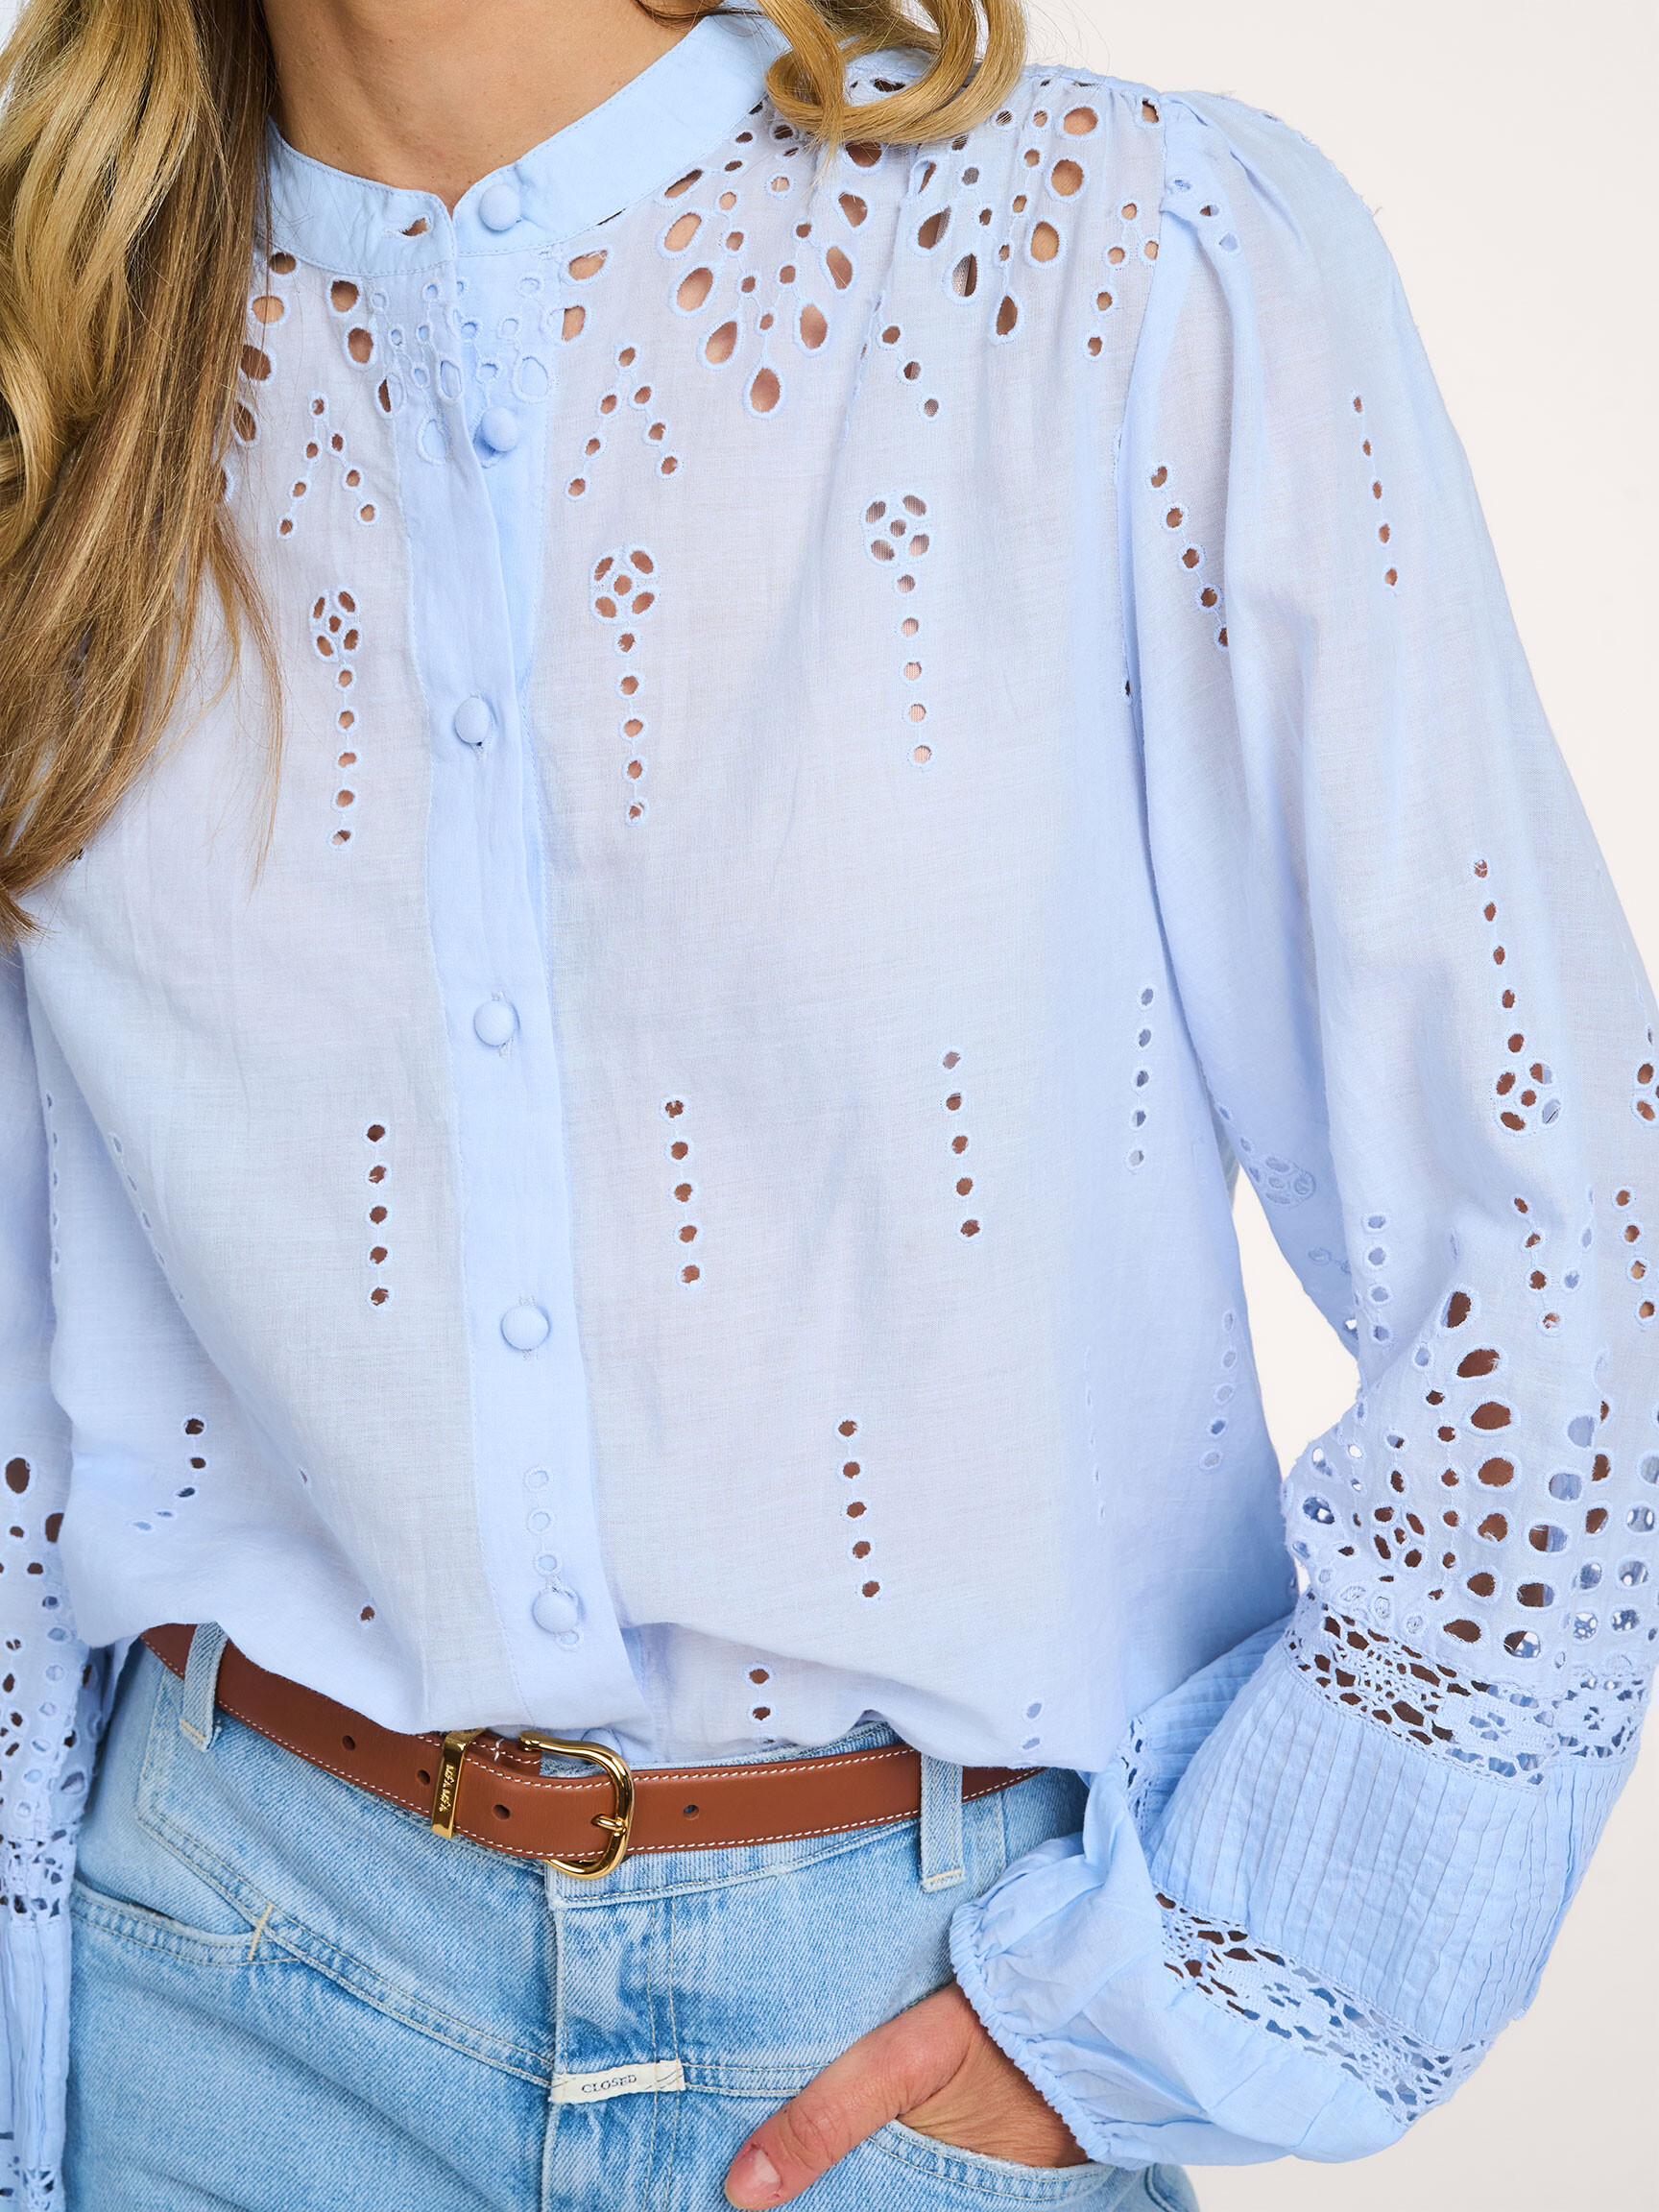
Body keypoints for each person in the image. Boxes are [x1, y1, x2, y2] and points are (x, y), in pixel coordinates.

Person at [0, 0, 1651, 2204]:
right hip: (218, 2002)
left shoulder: (1123, 266)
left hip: (910, 2007)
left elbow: (1555, 1254)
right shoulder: (53, 346)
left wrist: (1200, 1991)